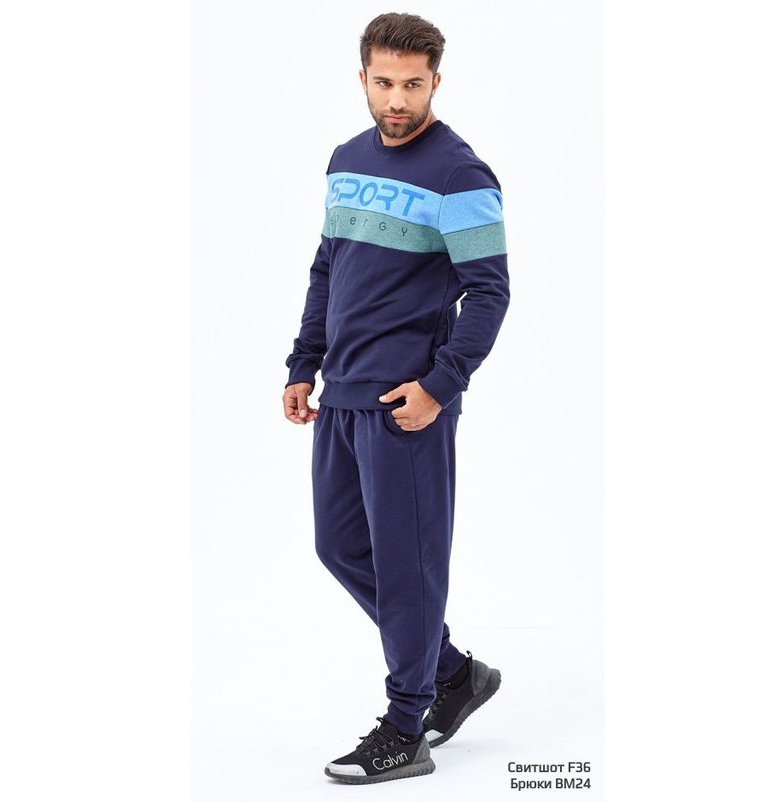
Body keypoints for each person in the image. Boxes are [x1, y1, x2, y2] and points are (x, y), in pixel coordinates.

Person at [282, 12, 510, 784]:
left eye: (413, 84)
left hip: (405, 404)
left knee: (408, 569)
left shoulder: (460, 174)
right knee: (340, 546)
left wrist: (441, 386)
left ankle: (406, 725)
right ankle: (454, 673)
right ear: (363, 78)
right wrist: (304, 363)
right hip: (341, 393)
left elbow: (489, 292)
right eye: (384, 82)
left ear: (436, 81)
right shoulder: (346, 161)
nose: (397, 100)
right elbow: (329, 268)